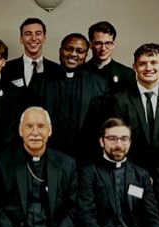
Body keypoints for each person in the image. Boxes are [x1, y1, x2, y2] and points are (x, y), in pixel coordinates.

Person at [29, 33, 108, 164]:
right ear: (60, 51)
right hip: (47, 154)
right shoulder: (39, 81)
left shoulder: (99, 84)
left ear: (86, 55)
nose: (73, 54)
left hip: (85, 158)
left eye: (80, 51)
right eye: (69, 49)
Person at [110, 43, 159, 174]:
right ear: (134, 67)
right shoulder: (120, 100)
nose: (148, 68)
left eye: (154, 62)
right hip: (129, 172)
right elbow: (118, 139)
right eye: (143, 63)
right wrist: (138, 174)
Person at [1, 18, 60, 87]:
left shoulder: (57, 70)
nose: (33, 38)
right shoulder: (6, 69)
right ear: (21, 39)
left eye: (38, 34)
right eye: (28, 34)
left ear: (44, 38)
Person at [82, 21, 134, 92]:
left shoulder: (127, 74)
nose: (103, 48)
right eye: (98, 43)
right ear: (90, 45)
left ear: (114, 44)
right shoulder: (80, 71)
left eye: (108, 43)